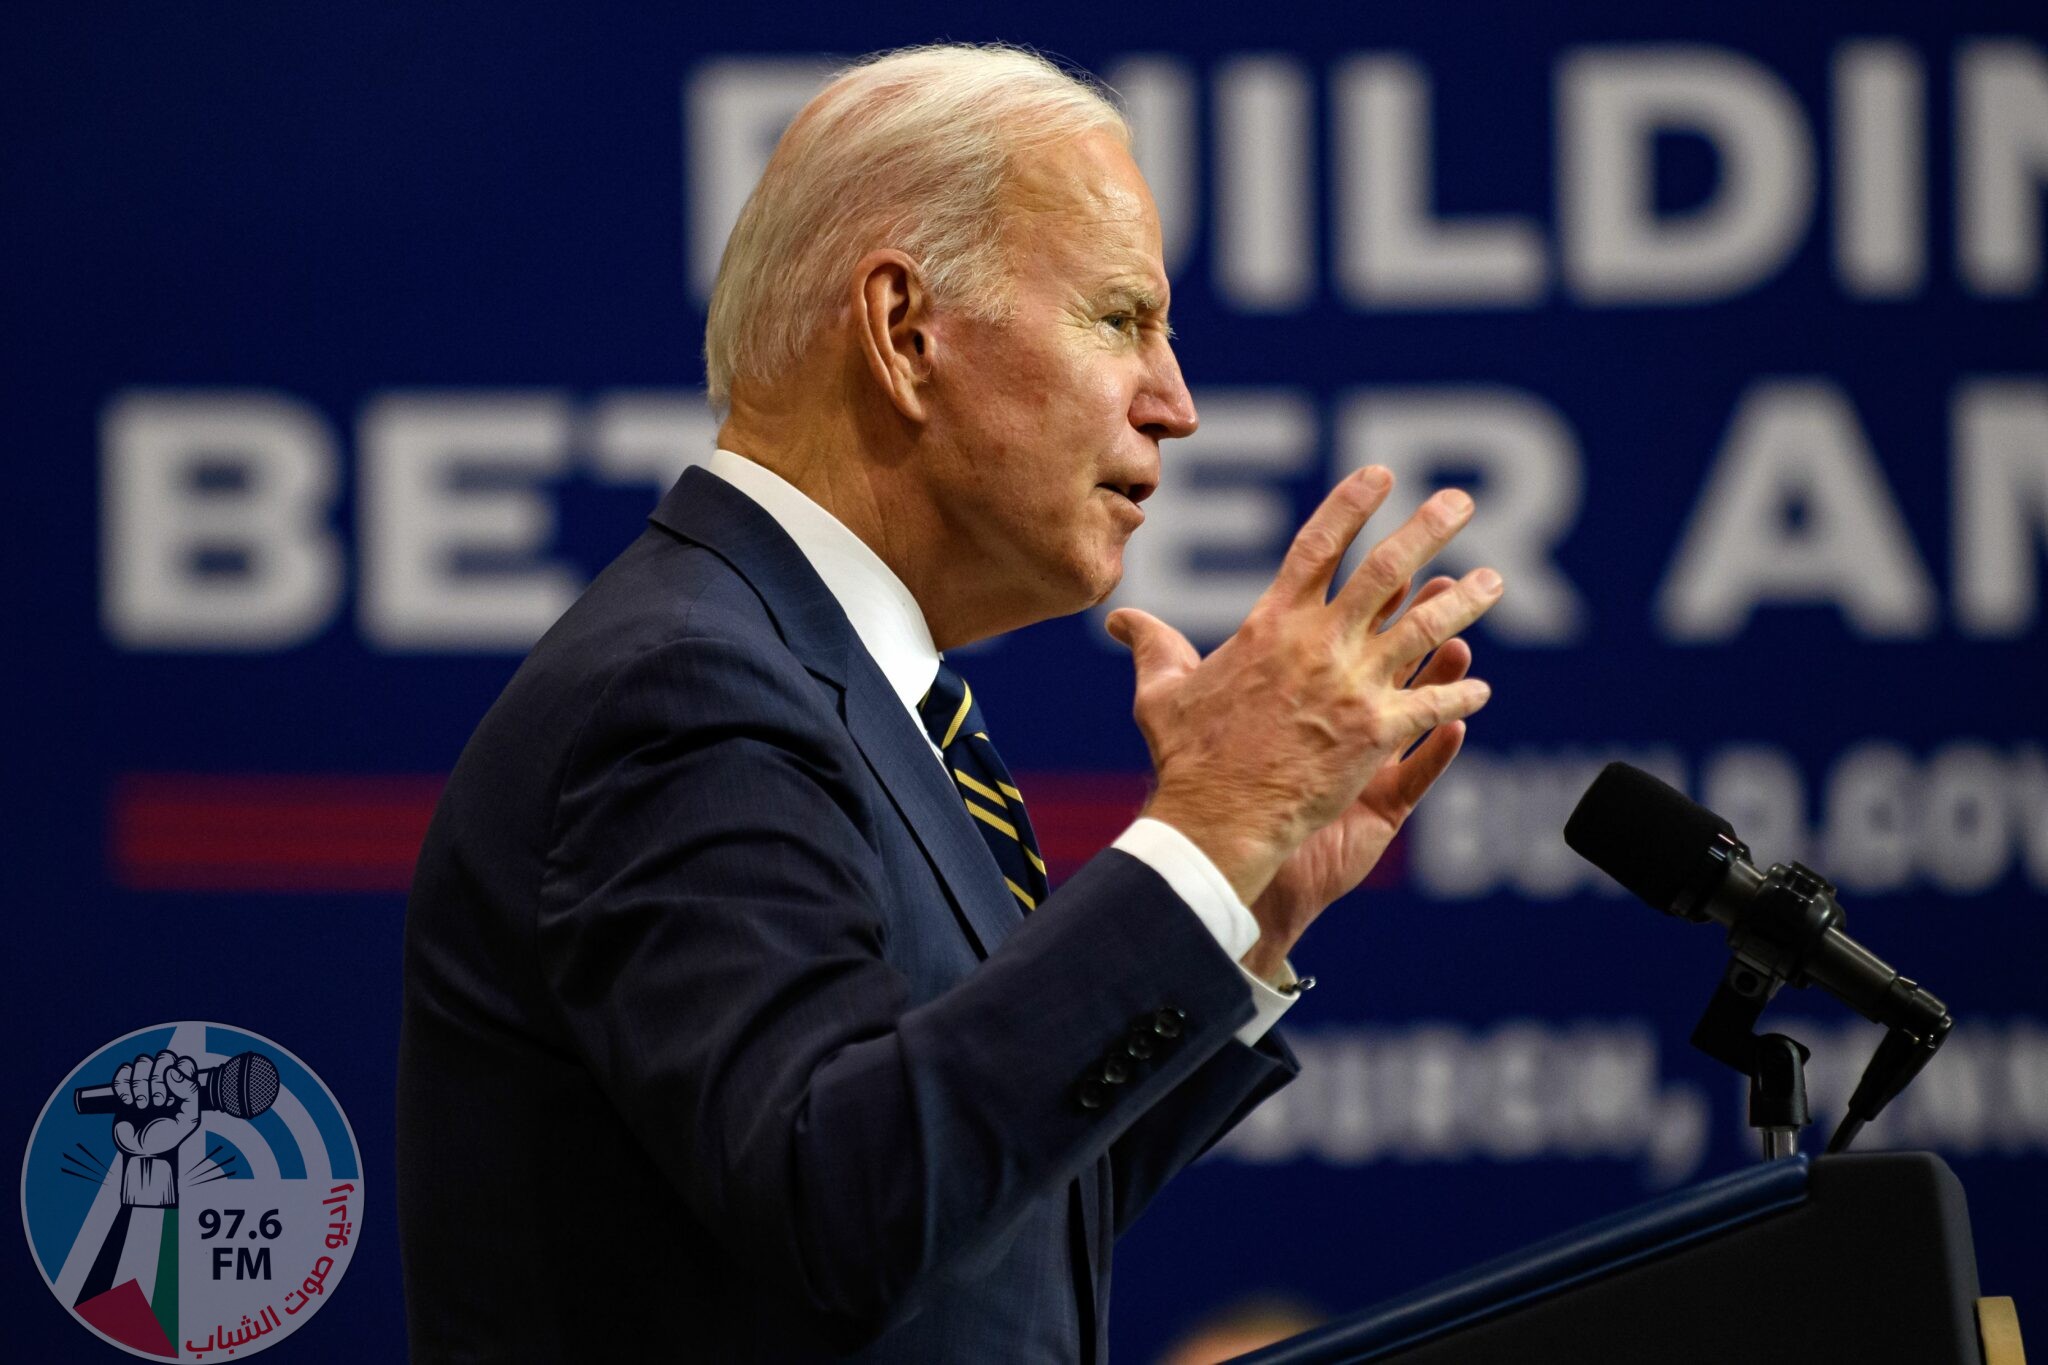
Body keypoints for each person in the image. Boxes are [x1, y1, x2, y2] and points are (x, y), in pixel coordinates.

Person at [396, 42, 1503, 1363]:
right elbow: (843, 1194)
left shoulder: (839, 690)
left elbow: (975, 1227)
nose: (1179, 403)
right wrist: (1208, 822)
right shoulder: (686, 691)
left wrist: (1241, 907)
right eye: (1120, 319)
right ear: (905, 331)